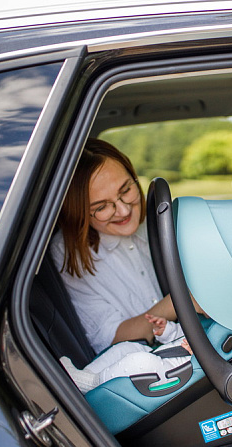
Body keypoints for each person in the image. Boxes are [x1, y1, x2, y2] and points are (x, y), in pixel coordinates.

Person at [50, 138, 193, 390]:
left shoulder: (159, 220)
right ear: (80, 212)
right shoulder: (70, 255)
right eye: (102, 207)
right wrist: (181, 301)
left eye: (126, 190)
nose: (124, 210)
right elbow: (111, 336)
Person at [59, 313, 192, 393]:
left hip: (176, 372)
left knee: (141, 361)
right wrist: (167, 330)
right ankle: (86, 375)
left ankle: (90, 383)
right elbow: (181, 334)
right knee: (126, 348)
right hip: (164, 354)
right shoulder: (200, 323)